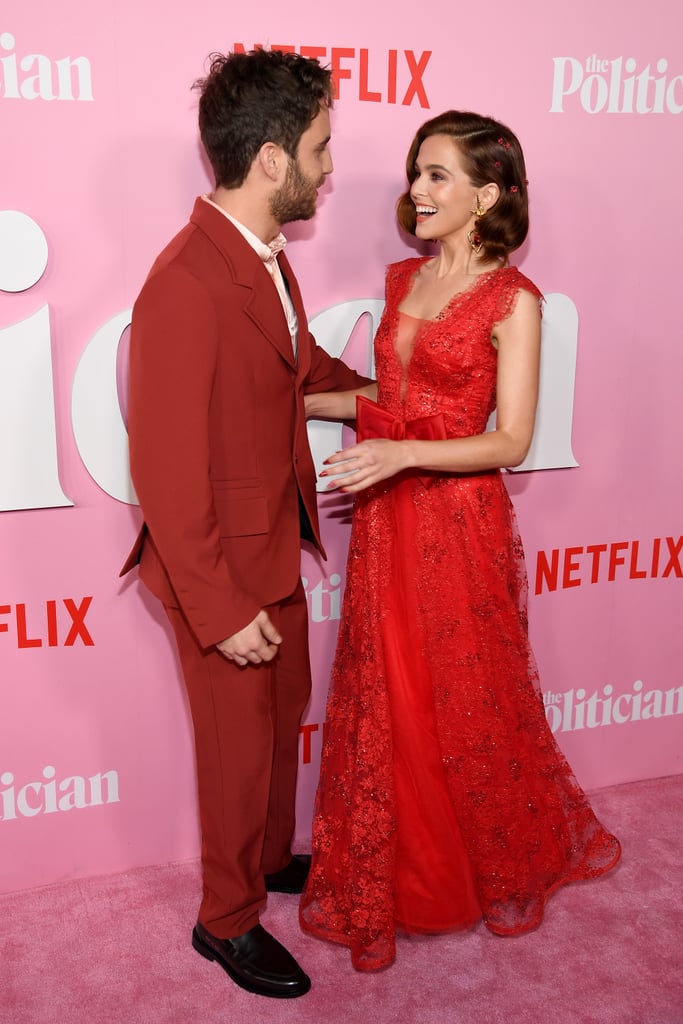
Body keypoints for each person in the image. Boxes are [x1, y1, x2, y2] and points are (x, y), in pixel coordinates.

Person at [299, 110, 621, 971]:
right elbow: (385, 394)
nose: (416, 189)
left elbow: (510, 439)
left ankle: (477, 869)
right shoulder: (402, 275)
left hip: (457, 523)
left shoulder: (514, 301)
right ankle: (404, 873)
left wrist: (401, 451)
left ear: (486, 195)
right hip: (388, 516)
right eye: (416, 172)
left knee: (464, 693)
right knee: (390, 690)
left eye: (437, 175)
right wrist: (301, 401)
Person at [120, 49, 371, 999]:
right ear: (272, 159)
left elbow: (298, 363)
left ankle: (267, 862)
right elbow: (165, 472)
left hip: (272, 547)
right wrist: (220, 608)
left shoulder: (261, 260)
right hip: (216, 571)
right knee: (233, 758)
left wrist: (382, 399)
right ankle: (224, 922)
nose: (329, 167)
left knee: (274, 732)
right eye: (320, 147)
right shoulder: (185, 281)